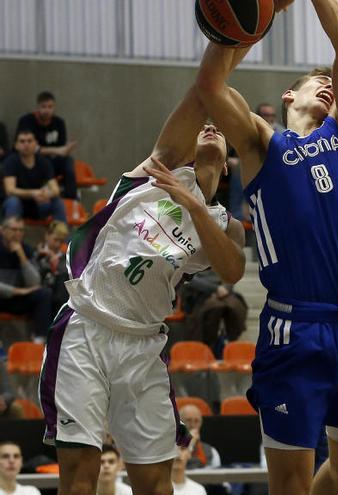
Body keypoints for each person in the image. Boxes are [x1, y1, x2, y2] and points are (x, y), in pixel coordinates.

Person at [195, 1, 338, 493]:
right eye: (314, 80)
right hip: (295, 329)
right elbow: (211, 87)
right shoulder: (263, 144)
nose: (327, 82)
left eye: (332, 81)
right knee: (290, 486)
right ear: (288, 95)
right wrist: (246, 21)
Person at [38, 81, 246, 495]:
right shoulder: (156, 170)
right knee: (80, 477)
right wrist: (227, 41)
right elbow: (203, 89)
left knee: (155, 484)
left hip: (143, 346)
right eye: (206, 125)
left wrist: (194, 206)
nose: (210, 127)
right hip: (88, 327)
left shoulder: (226, 224)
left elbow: (233, 269)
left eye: (220, 130)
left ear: (226, 167)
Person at [16, 91, 77, 199]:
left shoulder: (59, 123)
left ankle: (71, 200)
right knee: (43, 163)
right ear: (37, 107)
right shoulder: (27, 121)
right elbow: (27, 147)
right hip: (33, 161)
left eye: (50, 107)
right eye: (43, 107)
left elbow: (61, 149)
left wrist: (65, 150)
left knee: (68, 161)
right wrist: (58, 151)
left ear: (54, 107)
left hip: (53, 161)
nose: (47, 110)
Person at [0, 216, 52, 341]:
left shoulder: (26, 249)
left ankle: (39, 342)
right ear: (2, 230)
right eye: (14, 229)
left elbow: (34, 282)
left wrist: (22, 256)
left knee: (44, 294)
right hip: (3, 297)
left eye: (21, 230)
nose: (17, 233)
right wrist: (16, 291)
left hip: (17, 300)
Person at [2, 129, 67, 223]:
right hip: (16, 205)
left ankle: (61, 235)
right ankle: (10, 235)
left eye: (29, 141)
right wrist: (33, 193)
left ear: (36, 144)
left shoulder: (44, 162)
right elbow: (10, 190)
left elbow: (55, 190)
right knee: (13, 201)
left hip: (38, 205)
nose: (26, 144)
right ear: (16, 145)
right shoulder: (10, 162)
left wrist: (45, 194)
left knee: (57, 201)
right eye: (22, 141)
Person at [181, 269, 247, 355]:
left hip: (223, 294)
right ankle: (210, 344)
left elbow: (229, 278)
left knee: (235, 306)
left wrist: (224, 289)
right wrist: (215, 289)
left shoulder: (220, 261)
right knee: (215, 307)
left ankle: (231, 337)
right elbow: (189, 280)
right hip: (200, 295)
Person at [33, 220, 69, 314]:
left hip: (59, 295)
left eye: (61, 241)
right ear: (47, 236)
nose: (57, 244)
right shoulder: (36, 253)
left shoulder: (65, 258)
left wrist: (56, 266)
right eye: (55, 240)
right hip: (41, 292)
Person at [179, 404, 222, 469]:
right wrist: (189, 442)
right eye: (188, 420)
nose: (193, 425)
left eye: (196, 421)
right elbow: (177, 467)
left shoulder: (212, 452)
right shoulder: (170, 450)